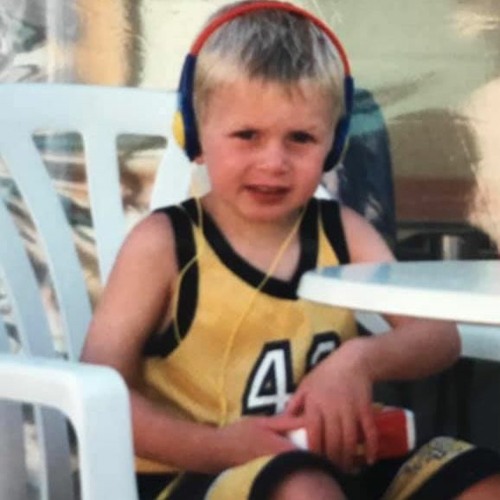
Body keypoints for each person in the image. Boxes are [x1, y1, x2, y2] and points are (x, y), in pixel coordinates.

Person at [81, 1, 500, 498]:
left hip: (337, 464)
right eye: (247, 135)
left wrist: (357, 361)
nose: (274, 161)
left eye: (301, 138)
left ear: (334, 144)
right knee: (303, 488)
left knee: (483, 482)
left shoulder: (342, 232)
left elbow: (438, 337)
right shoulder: (165, 245)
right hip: (195, 471)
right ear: (193, 133)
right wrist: (216, 447)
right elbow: (101, 389)